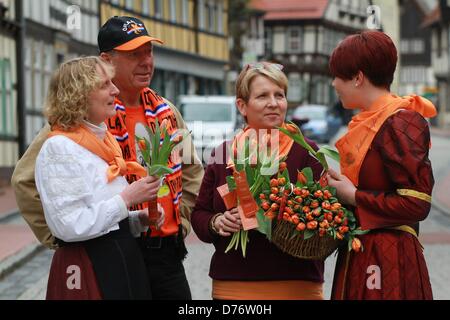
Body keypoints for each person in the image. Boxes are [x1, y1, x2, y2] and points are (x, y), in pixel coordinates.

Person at [11, 16, 204, 300]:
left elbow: (191, 171)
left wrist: (182, 220)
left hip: (166, 254)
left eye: (149, 52)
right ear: (106, 60)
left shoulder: (167, 112)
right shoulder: (81, 121)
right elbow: (24, 180)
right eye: (134, 54)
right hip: (116, 252)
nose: (146, 61)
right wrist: (64, 238)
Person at [191, 62, 325, 300]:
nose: (274, 103)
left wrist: (292, 213)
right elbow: (200, 213)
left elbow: (327, 213)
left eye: (279, 95)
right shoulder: (225, 154)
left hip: (297, 284)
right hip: (233, 286)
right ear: (242, 105)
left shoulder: (307, 152)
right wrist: (217, 222)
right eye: (263, 96)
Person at [36, 56, 161, 299]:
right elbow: (70, 225)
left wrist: (136, 220)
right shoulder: (59, 149)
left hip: (116, 257)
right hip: (88, 264)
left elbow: (101, 216)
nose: (115, 90)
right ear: (79, 95)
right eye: (104, 85)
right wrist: (126, 200)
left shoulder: (102, 141)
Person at [327, 30, 437, 300]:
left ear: (358, 78)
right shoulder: (372, 120)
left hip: (389, 259)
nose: (333, 84)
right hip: (362, 253)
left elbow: (416, 203)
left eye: (338, 76)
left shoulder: (400, 121)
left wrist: (353, 196)